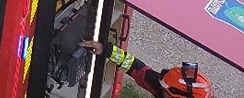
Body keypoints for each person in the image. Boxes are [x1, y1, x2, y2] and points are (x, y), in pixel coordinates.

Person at [78, 40, 214, 98]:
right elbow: (135, 67)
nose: (161, 89)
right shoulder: (163, 86)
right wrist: (106, 50)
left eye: (166, 92)